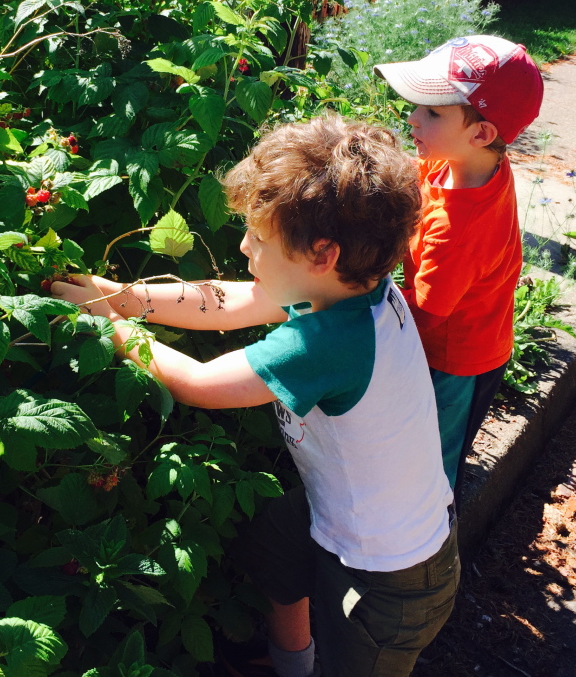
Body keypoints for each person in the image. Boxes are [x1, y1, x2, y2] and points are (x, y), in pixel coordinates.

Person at [52, 115, 459, 677]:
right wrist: (125, 297)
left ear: (322, 253)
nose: (243, 245)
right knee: (272, 547)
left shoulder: (327, 341)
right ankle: (293, 663)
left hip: (390, 573)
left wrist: (107, 326)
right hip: (358, 510)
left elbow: (196, 385)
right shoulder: (351, 285)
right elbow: (229, 303)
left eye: (259, 237)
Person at [373, 34, 544, 497]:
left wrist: (356, 294)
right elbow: (415, 178)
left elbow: (426, 314)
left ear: (482, 133)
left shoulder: (461, 228)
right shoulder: (463, 161)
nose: (412, 118)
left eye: (431, 112)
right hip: (455, 337)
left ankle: (430, 546)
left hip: (455, 360)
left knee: (431, 461)